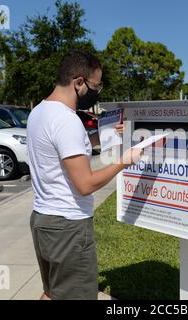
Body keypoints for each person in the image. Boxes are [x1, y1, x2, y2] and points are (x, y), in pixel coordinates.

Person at [26, 49, 143, 300]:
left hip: (43, 220)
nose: (96, 92)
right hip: (68, 227)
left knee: (52, 293)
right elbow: (85, 184)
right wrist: (124, 161)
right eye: (95, 86)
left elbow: (65, 147)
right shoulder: (67, 120)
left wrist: (103, 135)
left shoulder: (39, 112)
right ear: (79, 82)